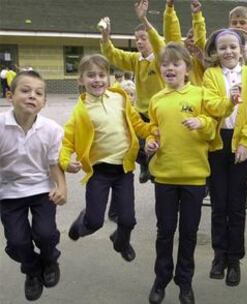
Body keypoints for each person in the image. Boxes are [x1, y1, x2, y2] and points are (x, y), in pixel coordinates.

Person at [59, 54, 150, 263]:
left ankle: (121, 241)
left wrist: (153, 130)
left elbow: (137, 124)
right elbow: (66, 143)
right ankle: (82, 221)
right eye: (91, 75)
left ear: (109, 77)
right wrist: (66, 162)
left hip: (123, 170)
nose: (97, 79)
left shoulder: (120, 97)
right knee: (94, 222)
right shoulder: (80, 112)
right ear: (80, 80)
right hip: (98, 172)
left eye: (102, 74)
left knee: (128, 220)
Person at [145, 42, 216, 304]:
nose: (170, 68)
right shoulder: (156, 100)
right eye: (165, 64)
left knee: (188, 233)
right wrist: (150, 141)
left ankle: (184, 282)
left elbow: (212, 129)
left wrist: (202, 122)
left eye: (176, 63)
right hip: (164, 176)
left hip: (194, 178)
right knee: (164, 232)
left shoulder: (199, 95)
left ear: (187, 69)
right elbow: (154, 128)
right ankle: (160, 279)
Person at [203, 28, 247, 287]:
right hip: (218, 143)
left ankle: (234, 258)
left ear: (242, 50)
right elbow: (211, 106)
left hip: (242, 142)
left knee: (237, 205)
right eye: (223, 47)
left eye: (233, 47)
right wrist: (228, 101)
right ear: (216, 52)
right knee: (219, 203)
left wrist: (246, 142)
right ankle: (219, 254)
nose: (228, 51)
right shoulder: (210, 74)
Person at [0, 70, 66, 301]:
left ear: (44, 103)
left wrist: (62, 186)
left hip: (41, 188)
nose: (32, 96)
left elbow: (54, 163)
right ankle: (32, 270)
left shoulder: (52, 130)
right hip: (8, 191)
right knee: (17, 242)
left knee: (46, 234)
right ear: (10, 95)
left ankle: (50, 260)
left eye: (38, 93)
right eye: (25, 91)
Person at [99, 0, 165, 184]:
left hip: (159, 112)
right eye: (137, 39)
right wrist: (105, 37)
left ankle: (155, 167)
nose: (139, 42)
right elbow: (113, 55)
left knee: (159, 144)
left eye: (143, 38)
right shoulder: (135, 59)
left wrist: (144, 18)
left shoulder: (161, 58)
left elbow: (160, 45)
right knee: (128, 137)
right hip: (141, 111)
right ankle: (145, 163)